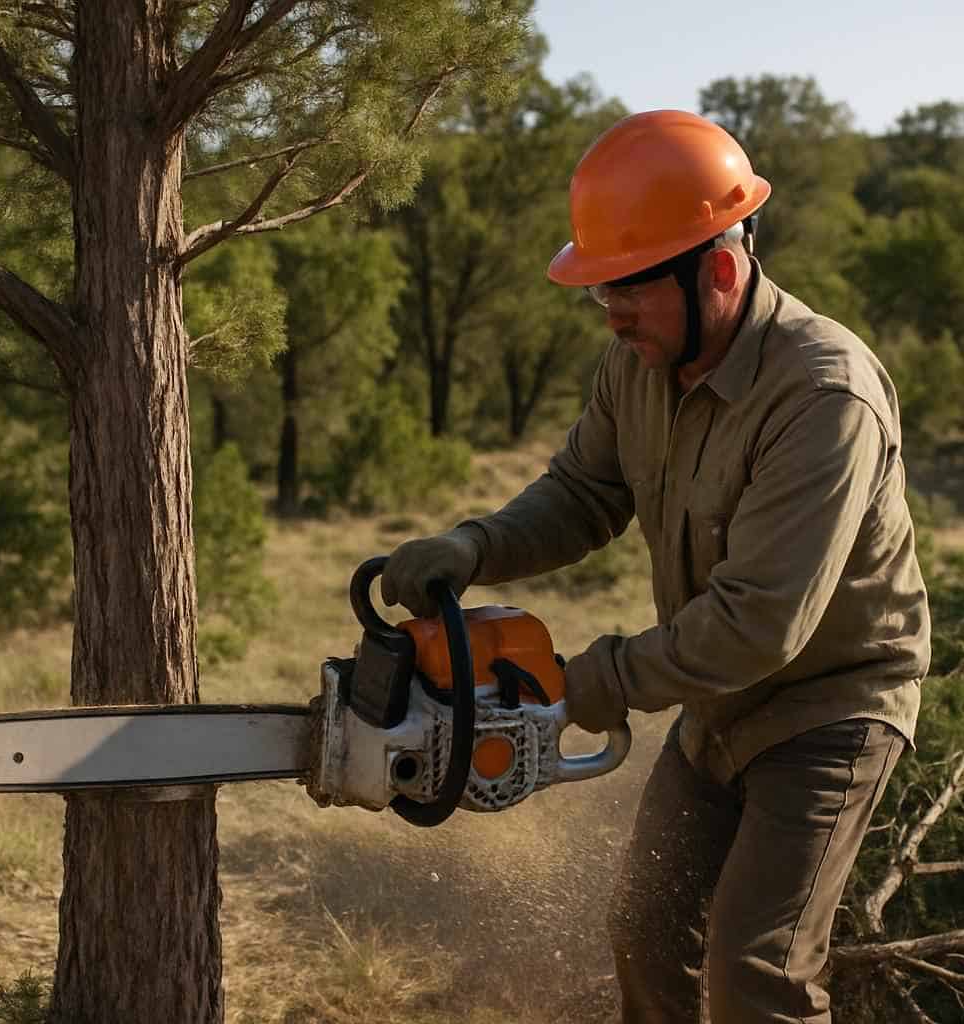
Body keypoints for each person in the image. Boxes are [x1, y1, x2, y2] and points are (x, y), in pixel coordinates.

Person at [379, 110, 930, 1023]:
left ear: (717, 268)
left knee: (758, 969)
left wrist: (590, 683)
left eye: (628, 289)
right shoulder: (636, 365)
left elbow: (761, 622)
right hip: (719, 699)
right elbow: (585, 492)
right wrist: (474, 545)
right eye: (600, 292)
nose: (612, 314)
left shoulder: (823, 394)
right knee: (645, 930)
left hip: (830, 707)